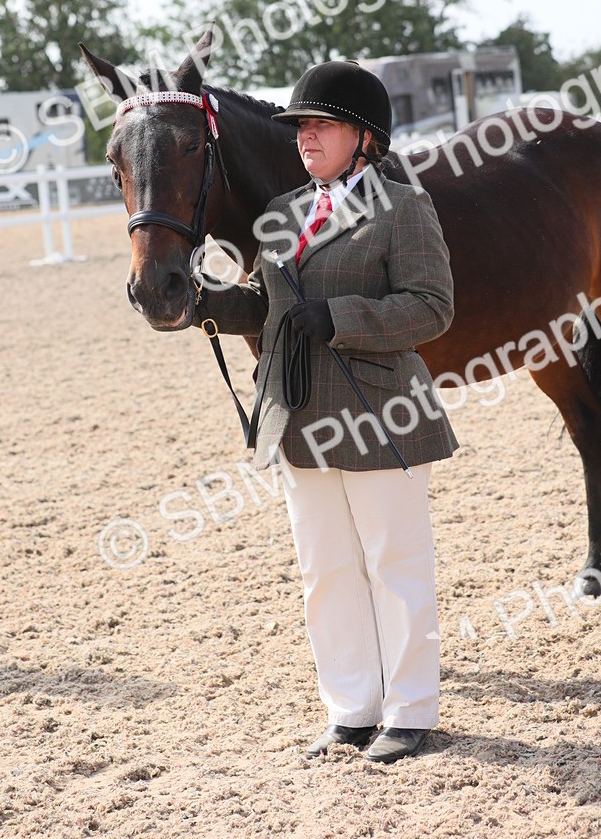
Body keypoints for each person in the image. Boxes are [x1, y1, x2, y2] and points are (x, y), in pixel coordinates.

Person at [194, 59, 458, 764]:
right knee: (326, 569)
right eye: (301, 126)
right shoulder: (280, 214)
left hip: (380, 415)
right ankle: (350, 710)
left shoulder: (404, 208)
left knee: (393, 565)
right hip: (298, 414)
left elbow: (432, 308)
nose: (306, 137)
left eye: (322, 125)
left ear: (365, 138)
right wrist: (219, 305)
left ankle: (410, 712)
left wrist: (339, 317)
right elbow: (278, 310)